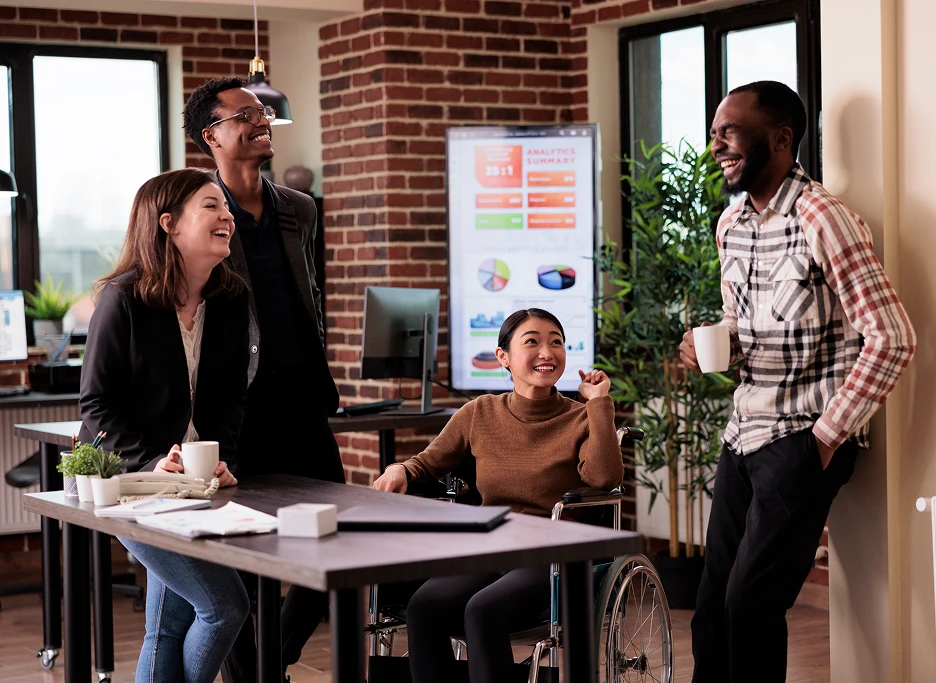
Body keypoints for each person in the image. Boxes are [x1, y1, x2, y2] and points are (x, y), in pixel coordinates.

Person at [677, 81, 917, 683]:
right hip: (742, 433)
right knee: (710, 608)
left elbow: (893, 336)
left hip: (800, 438)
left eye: (729, 132)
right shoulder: (731, 224)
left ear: (781, 139)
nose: (716, 147)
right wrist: (714, 345)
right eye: (714, 134)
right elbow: (742, 326)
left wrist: (826, 437)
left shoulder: (824, 218)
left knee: (750, 604)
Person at [181, 76, 344, 682]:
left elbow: (310, 292)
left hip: (302, 394)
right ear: (211, 136)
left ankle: (274, 658)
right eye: (245, 115)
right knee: (242, 554)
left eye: (264, 113)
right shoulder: (199, 211)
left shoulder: (299, 208)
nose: (261, 121)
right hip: (236, 405)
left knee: (337, 534)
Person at [373, 308, 623, 683]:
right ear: (503, 356)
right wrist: (400, 469)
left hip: (553, 554)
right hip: (492, 547)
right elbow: (427, 462)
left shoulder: (580, 417)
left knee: (482, 610)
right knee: (423, 605)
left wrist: (598, 403)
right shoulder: (480, 412)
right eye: (532, 342)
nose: (547, 352)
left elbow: (605, 478)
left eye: (557, 342)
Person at [79, 168, 252, 683]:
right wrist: (152, 461)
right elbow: (97, 404)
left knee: (168, 624)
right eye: (211, 206)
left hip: (195, 488)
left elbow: (232, 401)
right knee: (224, 606)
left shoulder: (230, 298)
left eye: (226, 207)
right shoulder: (123, 298)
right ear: (169, 224)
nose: (228, 217)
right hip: (131, 484)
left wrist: (225, 461)